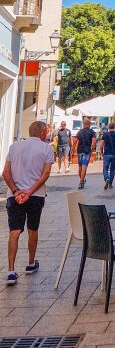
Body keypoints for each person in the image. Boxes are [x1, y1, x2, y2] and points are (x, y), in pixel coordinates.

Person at [2, 120, 54, 284]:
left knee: (14, 231)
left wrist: (17, 191)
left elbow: (5, 173)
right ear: (43, 133)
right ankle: (31, 263)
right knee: (33, 229)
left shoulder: (14, 147)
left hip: (14, 195)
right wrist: (29, 192)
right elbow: (45, 175)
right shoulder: (46, 148)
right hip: (36, 195)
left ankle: (11, 271)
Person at [102, 122, 115, 191]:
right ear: (114, 127)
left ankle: (106, 179)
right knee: (113, 169)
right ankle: (110, 183)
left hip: (107, 154)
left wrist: (102, 152)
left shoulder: (105, 135)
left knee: (105, 169)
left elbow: (101, 145)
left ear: (108, 127)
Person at [76, 118, 95, 190]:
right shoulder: (92, 132)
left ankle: (82, 180)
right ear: (89, 124)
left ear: (83, 124)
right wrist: (93, 148)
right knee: (84, 167)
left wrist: (72, 149)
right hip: (87, 151)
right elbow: (94, 142)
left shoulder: (80, 131)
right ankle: (81, 182)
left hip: (79, 150)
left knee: (80, 167)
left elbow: (75, 141)